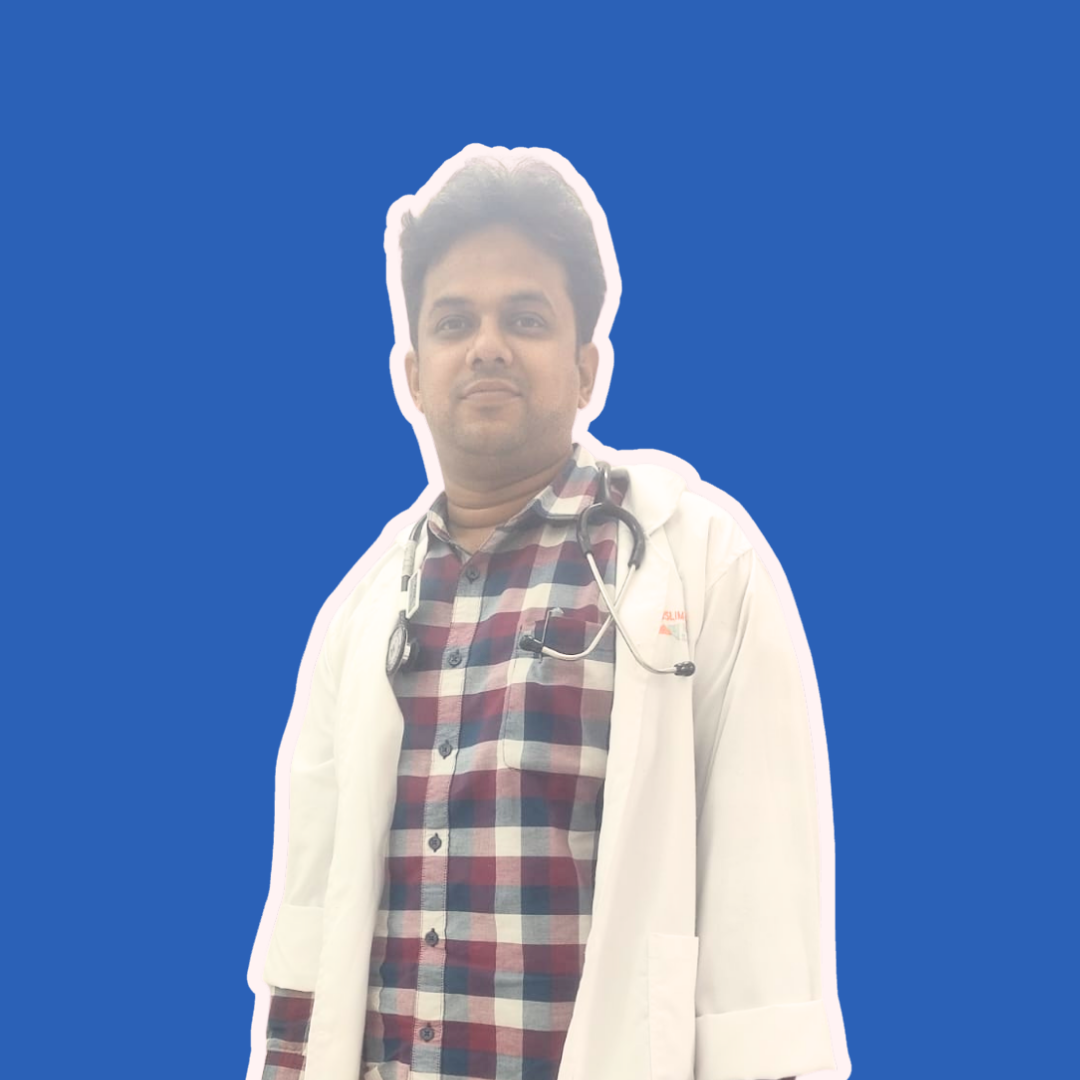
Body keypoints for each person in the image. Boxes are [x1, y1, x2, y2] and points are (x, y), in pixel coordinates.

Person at [249, 147, 849, 1080]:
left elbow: (767, 944)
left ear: (586, 367)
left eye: (525, 318)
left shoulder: (706, 567)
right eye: (454, 321)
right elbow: (307, 924)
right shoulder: (357, 612)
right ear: (413, 374)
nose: (487, 344)